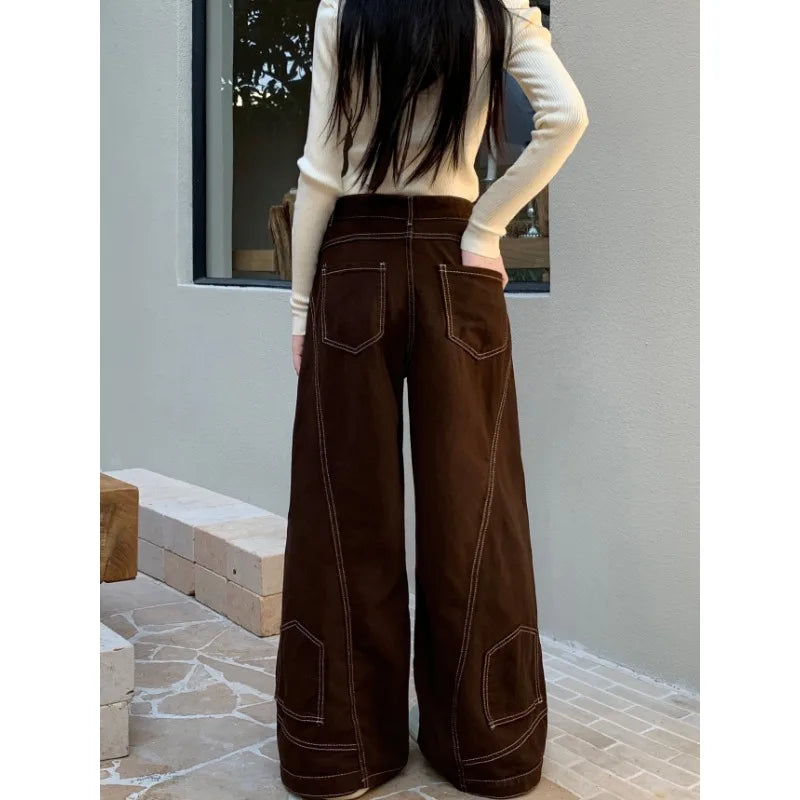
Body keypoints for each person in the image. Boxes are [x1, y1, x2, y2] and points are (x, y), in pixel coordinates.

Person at [275, 1, 588, 797]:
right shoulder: (493, 9)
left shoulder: (344, 8)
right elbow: (565, 116)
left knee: (343, 510)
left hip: (355, 262)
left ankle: (336, 752)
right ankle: (489, 749)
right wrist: (486, 228)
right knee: (476, 506)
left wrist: (301, 308)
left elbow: (320, 168)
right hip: (457, 264)